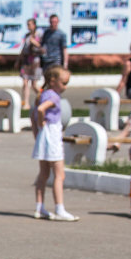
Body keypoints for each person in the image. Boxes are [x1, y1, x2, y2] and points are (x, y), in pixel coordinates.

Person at [31, 65, 78, 222]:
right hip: (52, 135)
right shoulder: (54, 97)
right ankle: (60, 208)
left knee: (43, 174)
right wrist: (41, 120)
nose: (65, 87)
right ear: (52, 81)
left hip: (44, 136)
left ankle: (39, 207)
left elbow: (34, 113)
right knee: (59, 175)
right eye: (63, 83)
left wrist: (37, 131)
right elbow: (40, 111)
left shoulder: (42, 94)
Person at [17, 19, 43, 110]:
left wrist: (34, 42)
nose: (28, 26)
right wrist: (18, 60)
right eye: (27, 24)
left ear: (34, 25)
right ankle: (26, 103)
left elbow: (42, 47)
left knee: (34, 85)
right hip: (26, 61)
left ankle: (44, 96)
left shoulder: (39, 35)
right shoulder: (27, 36)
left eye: (30, 24)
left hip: (35, 61)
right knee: (25, 82)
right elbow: (23, 48)